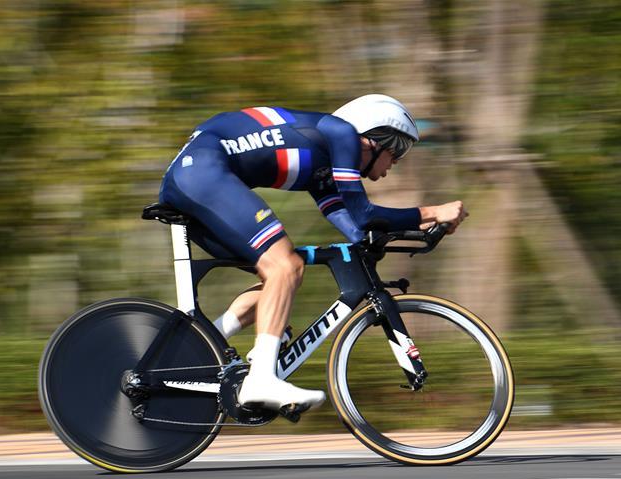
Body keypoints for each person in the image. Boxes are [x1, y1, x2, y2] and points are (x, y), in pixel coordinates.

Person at [158, 94, 467, 413]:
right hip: (203, 173)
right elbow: (363, 212)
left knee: (278, 277)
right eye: (398, 149)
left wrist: (388, 237)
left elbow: (356, 226)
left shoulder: (322, 164)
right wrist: (433, 212)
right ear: (375, 139)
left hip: (192, 178)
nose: (397, 161)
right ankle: (260, 379)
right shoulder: (343, 134)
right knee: (286, 266)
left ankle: (206, 345)